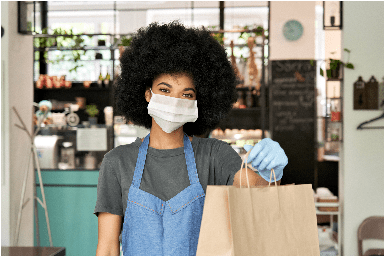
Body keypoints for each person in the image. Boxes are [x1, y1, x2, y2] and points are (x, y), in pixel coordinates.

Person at [94, 21, 288, 256]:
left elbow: (255, 188)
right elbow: (107, 247)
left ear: (198, 103)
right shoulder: (117, 162)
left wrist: (269, 172)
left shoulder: (214, 155)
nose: (175, 101)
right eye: (165, 90)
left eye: (186, 94)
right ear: (147, 94)